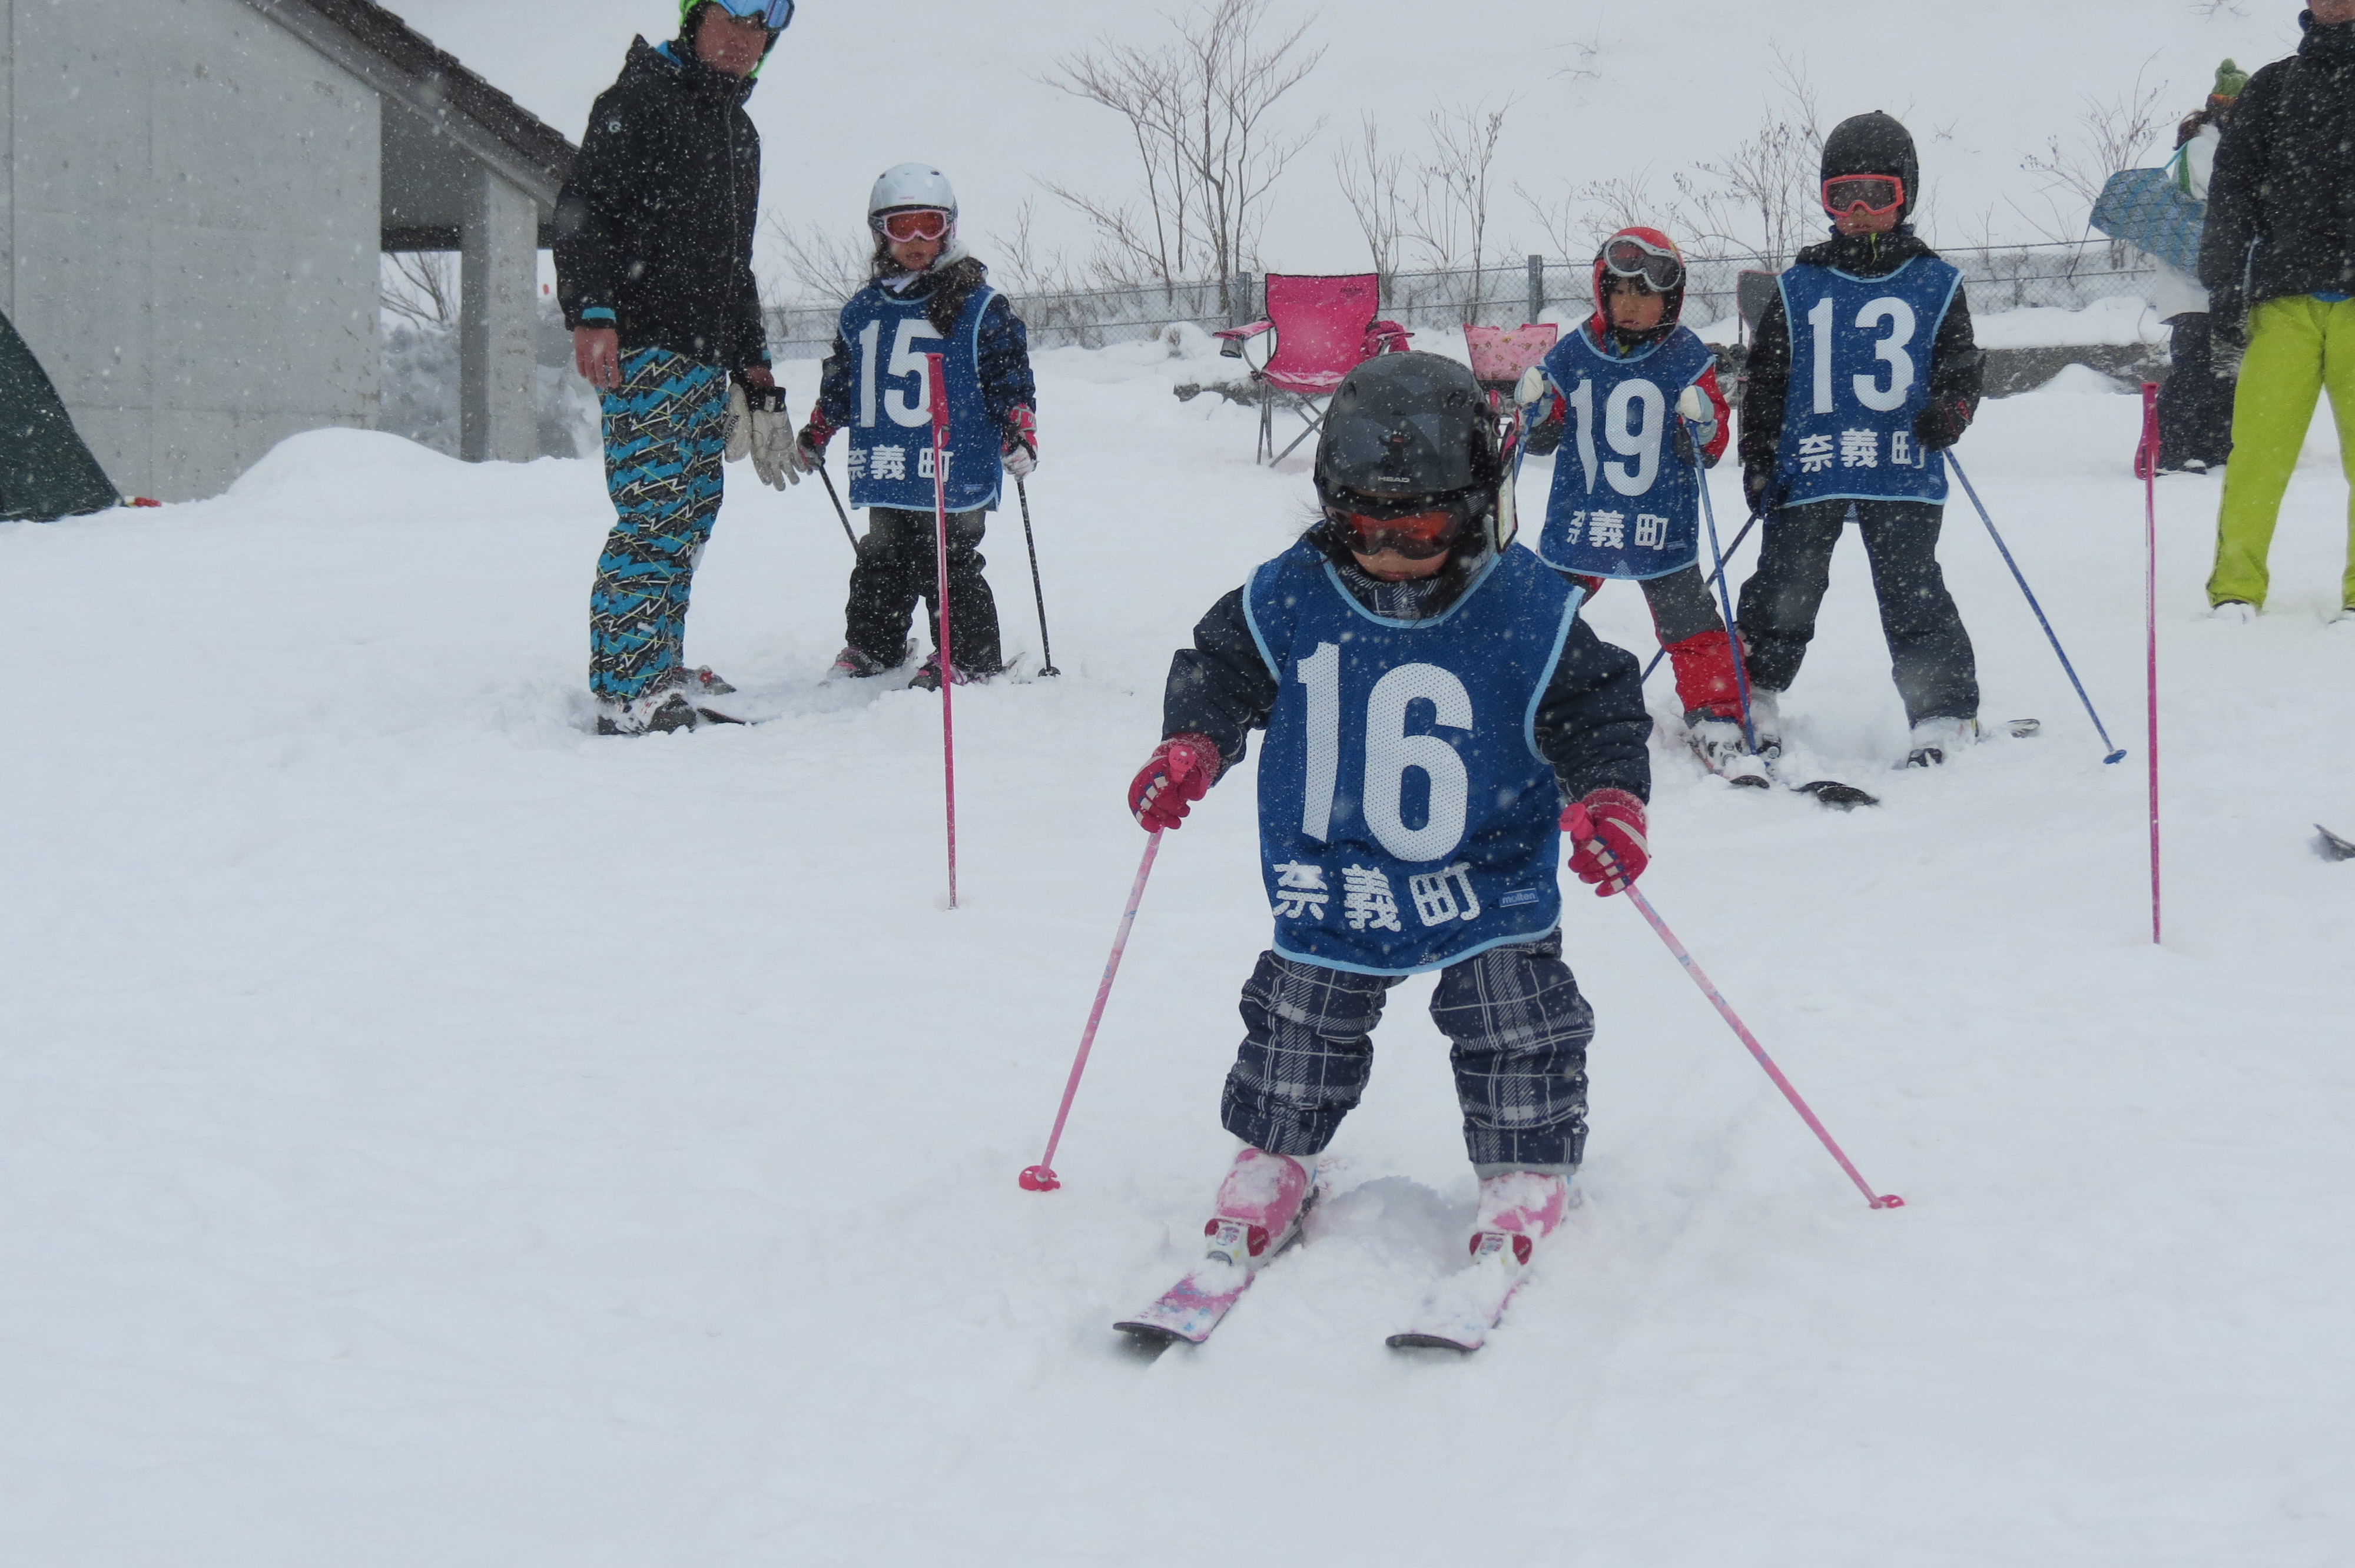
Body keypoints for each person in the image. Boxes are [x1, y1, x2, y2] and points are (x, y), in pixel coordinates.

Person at [1117, 351, 1653, 1336]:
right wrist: (1195, 740)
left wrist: (1610, 794)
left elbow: (1597, 707)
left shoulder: (1526, 604)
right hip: (1338, 872)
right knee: (1299, 1023)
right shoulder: (1292, 593)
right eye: (1365, 526)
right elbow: (1221, 667)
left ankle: (1525, 1165)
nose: (1392, 550)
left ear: (1477, 507)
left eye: (1422, 528)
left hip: (1482, 873)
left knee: (1515, 1020)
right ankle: (1275, 1153)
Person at [554, 0, 795, 736]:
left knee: (692, 512)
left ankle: (658, 663)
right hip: (645, 345)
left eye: (759, 28)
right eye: (730, 18)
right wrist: (592, 310)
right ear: (694, 17)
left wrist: (753, 364)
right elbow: (584, 208)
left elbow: (734, 265)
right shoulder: (638, 100)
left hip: (705, 356)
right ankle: (627, 691)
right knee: (654, 514)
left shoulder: (738, 132)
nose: (743, 38)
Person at [1734, 111, 1986, 768]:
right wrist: (1758, 456)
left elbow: (1960, 366)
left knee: (1911, 589)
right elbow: (1766, 381)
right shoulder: (1798, 287)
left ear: (1906, 197)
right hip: (1812, 464)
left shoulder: (1935, 282)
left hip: (1898, 462)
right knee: (1786, 582)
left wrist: (1952, 410)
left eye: (1878, 195)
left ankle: (1942, 709)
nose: (1858, 211)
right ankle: (1752, 691)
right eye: (1841, 195)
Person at [1527, 226, 1756, 780]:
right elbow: (1542, 435)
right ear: (1602, 293)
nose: (1631, 306)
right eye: (1620, 292)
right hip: (1585, 516)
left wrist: (1703, 424)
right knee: (1539, 614)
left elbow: (1712, 447)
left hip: (1658, 521)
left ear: (1670, 299)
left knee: (1691, 624)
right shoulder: (1574, 352)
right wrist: (1534, 409)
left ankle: (1717, 714)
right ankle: (1520, 696)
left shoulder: (1687, 356)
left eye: (1646, 294)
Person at [796, 166, 1039, 689]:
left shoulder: (978, 305)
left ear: (949, 228)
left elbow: (1009, 376)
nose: (916, 241)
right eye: (901, 227)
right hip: (891, 457)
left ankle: (966, 656)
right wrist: (820, 428)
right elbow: (845, 379)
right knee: (881, 554)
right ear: (879, 233)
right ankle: (873, 646)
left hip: (952, 458)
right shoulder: (864, 309)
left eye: (929, 225)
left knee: (947, 557)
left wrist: (1019, 430)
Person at [2198, 0, 2355, 627]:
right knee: (2257, 456)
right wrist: (2221, 283)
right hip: (2284, 299)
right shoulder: (2273, 85)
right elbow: (2232, 188)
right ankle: (2235, 589)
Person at [2145, 60, 2248, 477]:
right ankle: (2172, 450)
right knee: (2194, 369)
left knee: (2220, 370)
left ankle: (2212, 446)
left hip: (2216, 281)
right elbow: (2220, 205)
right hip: (2191, 283)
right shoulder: (2202, 150)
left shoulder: (2223, 148)